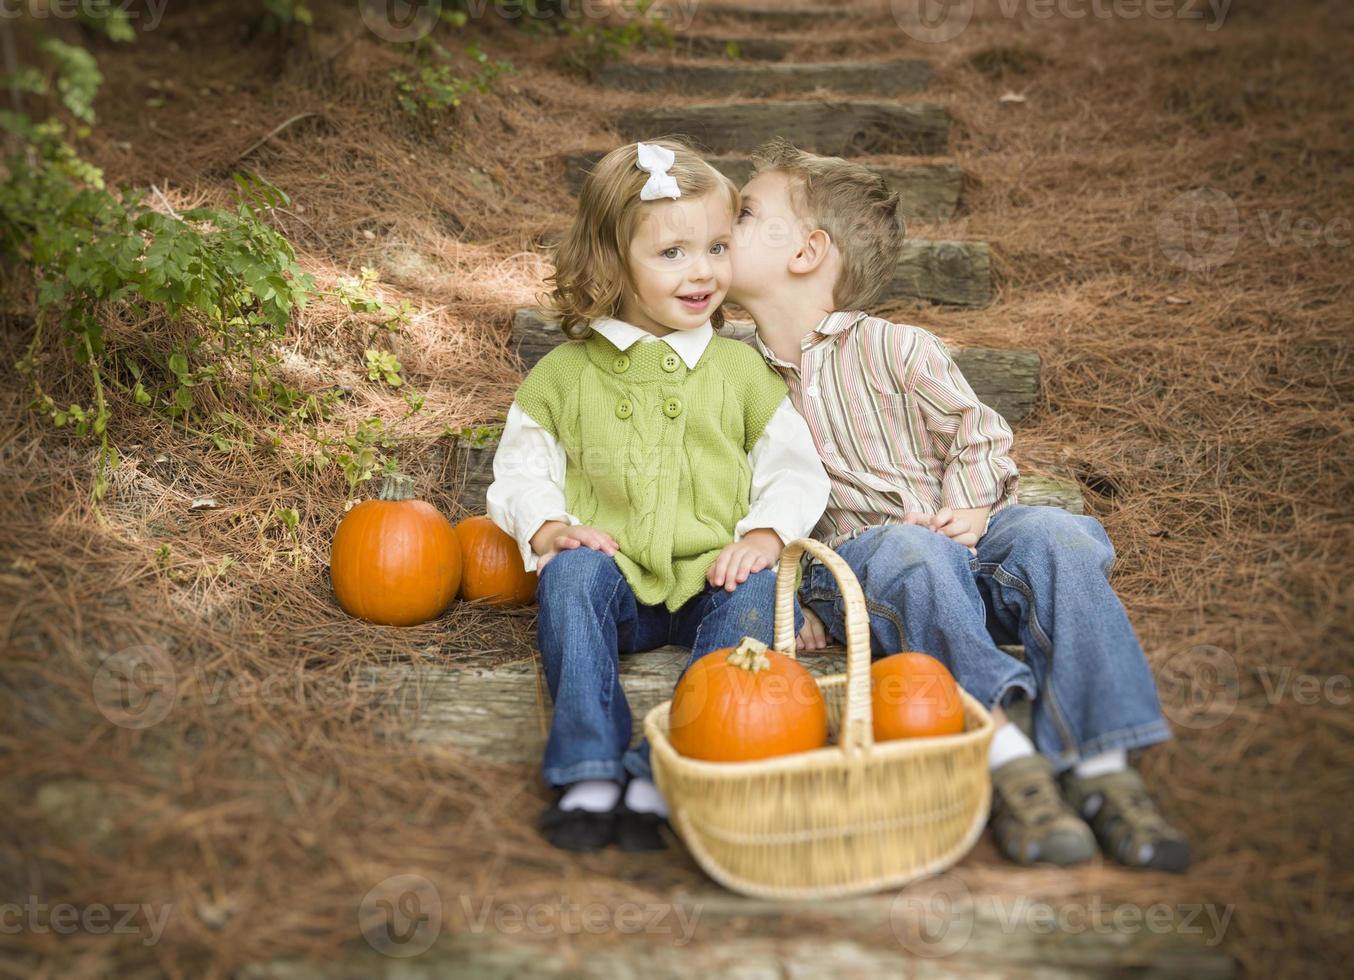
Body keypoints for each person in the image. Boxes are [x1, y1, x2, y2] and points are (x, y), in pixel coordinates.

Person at [722, 138, 1190, 873]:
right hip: (862, 566)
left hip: (965, 539)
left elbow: (977, 434)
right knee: (912, 550)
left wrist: (971, 508)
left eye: (744, 212)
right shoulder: (731, 374)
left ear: (808, 251)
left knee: (1059, 534)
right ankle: (1006, 758)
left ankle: (1105, 771)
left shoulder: (898, 349)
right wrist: (789, 592)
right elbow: (733, 496)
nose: (725, 220)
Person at [487, 139, 830, 854]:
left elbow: (795, 469)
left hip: (713, 573)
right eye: (672, 253)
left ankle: (657, 771)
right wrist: (548, 527)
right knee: (570, 577)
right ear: (612, 265)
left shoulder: (740, 370)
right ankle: (587, 770)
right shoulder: (564, 375)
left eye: (715, 247)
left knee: (755, 595)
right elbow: (521, 467)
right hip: (615, 572)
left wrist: (765, 534)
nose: (702, 271)